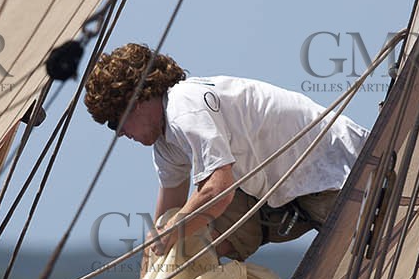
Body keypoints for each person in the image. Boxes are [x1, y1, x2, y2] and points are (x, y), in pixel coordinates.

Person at [84, 42, 367, 262]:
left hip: (336, 172)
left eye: (114, 121)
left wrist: (171, 231)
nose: (119, 133)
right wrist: (152, 265)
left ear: (137, 101)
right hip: (284, 192)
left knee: (360, 277)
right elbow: (165, 219)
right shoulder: (165, 141)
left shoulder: (184, 105)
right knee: (192, 242)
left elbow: (218, 190)